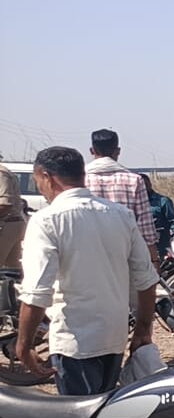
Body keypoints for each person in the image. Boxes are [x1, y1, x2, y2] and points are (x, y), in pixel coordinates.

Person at [17, 146, 159, 395]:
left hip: (74, 341)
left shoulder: (47, 220)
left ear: (46, 177)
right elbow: (146, 279)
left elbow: (36, 293)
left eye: (38, 180)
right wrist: (143, 329)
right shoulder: (120, 215)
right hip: (114, 336)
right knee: (104, 411)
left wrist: (24, 345)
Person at [85, 129, 159, 266]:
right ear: (118, 151)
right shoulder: (134, 180)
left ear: (92, 150)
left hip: (89, 258)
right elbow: (146, 228)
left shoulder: (80, 180)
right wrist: (154, 261)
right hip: (126, 257)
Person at [140, 174, 174, 257]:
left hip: (160, 245)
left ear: (150, 185)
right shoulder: (134, 203)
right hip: (140, 246)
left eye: (145, 184)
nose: (143, 187)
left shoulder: (163, 201)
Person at [0, 163, 27, 267]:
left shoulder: (1, 174)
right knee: (11, 271)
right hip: (10, 224)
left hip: (6, 224)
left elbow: (5, 205)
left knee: (11, 270)